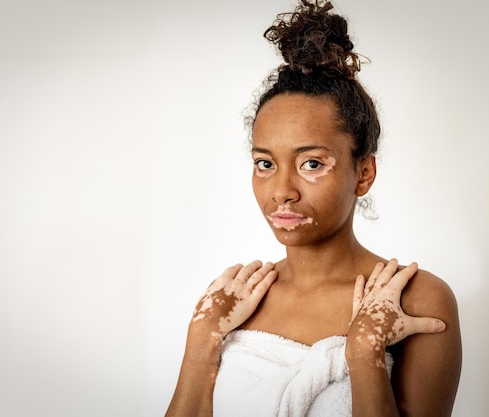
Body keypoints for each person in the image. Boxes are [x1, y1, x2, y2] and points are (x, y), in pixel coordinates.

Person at [165, 1, 462, 416]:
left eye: (312, 164)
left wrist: (364, 354)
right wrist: (201, 340)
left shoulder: (415, 299)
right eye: (265, 164)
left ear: (363, 173)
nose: (281, 191)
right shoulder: (237, 300)